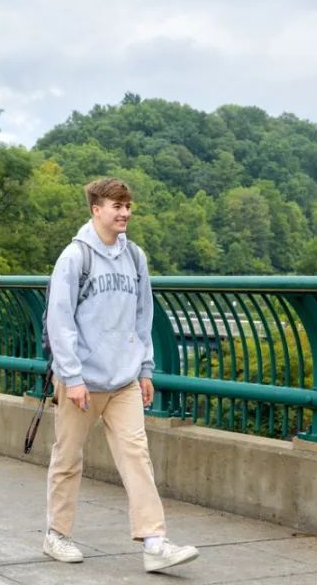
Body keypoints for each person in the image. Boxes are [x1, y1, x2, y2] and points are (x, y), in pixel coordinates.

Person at [43, 178, 198, 573]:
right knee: (68, 457)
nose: (125, 213)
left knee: (137, 456)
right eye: (117, 206)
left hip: (124, 379)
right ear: (96, 209)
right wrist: (72, 377)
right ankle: (56, 534)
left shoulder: (135, 256)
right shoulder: (75, 257)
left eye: (127, 205)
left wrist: (145, 368)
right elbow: (59, 321)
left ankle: (154, 542)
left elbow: (143, 315)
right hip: (82, 381)